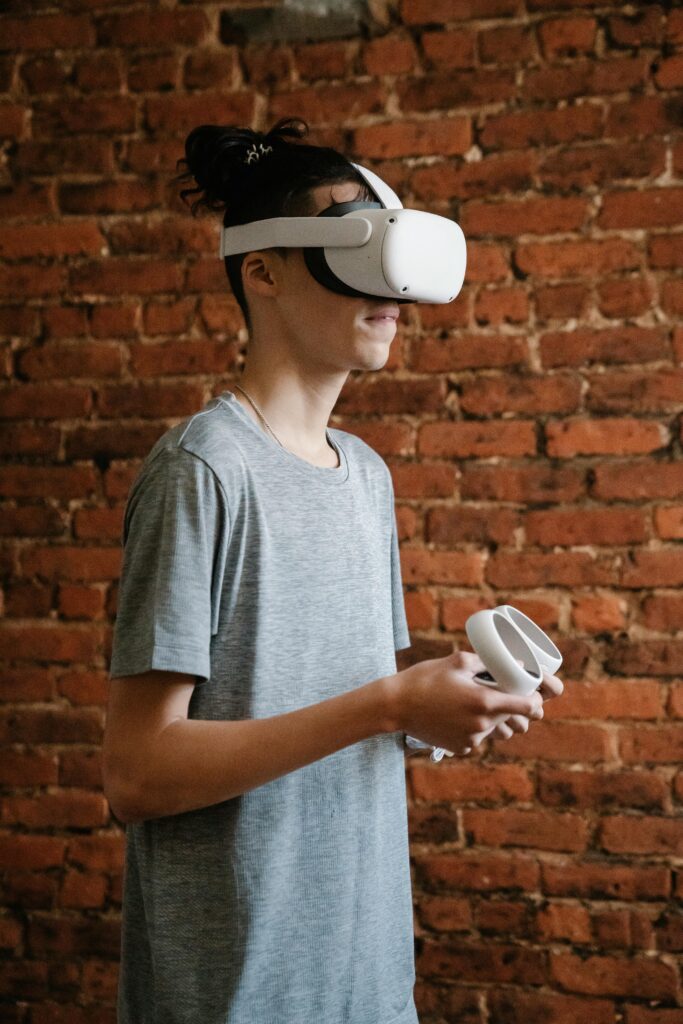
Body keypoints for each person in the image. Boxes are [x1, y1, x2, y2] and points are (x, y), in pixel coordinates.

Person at [103, 116, 564, 1024]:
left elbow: (345, 700)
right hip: (238, 989)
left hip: (365, 974)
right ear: (262, 271)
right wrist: (389, 705)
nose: (388, 290)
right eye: (350, 243)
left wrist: (436, 709)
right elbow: (137, 772)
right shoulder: (204, 470)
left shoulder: (366, 475)